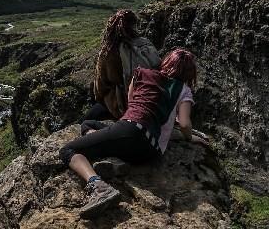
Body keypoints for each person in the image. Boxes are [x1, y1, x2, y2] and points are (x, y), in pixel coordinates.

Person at [59, 48, 204, 219]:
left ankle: (99, 187)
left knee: (68, 150)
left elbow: (131, 102)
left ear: (167, 62)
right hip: (150, 152)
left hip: (129, 130)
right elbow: (185, 124)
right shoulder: (184, 90)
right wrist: (190, 137)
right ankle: (106, 152)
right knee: (89, 124)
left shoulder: (142, 74)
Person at [86, 9, 160, 121]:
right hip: (152, 103)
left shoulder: (109, 51)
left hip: (122, 107)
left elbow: (100, 88)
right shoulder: (145, 43)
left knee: (88, 119)